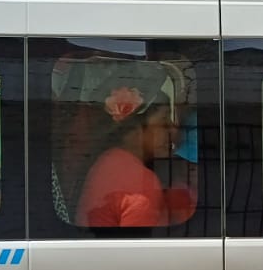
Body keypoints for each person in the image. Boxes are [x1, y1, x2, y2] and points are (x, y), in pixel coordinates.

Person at [75, 80, 196, 228]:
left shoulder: (109, 159)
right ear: (135, 128)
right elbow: (142, 250)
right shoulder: (141, 182)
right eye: (163, 121)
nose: (173, 131)